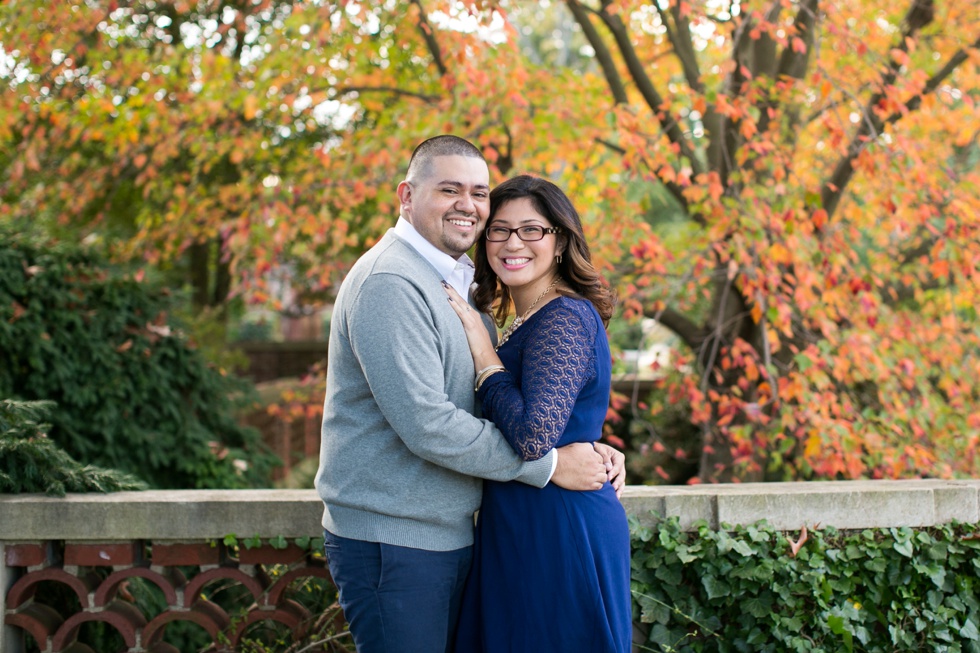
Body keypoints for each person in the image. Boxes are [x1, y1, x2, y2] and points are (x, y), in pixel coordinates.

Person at [314, 135, 626, 653]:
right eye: (449, 189)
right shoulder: (392, 281)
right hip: (398, 537)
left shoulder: (461, 288)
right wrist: (551, 464)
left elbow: (515, 408)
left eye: (479, 193)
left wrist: (589, 443)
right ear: (406, 196)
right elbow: (429, 423)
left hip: (460, 532)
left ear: (558, 239)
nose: (469, 206)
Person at [443, 174, 632, 653]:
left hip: (557, 524)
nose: (512, 243)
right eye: (499, 230)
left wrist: (486, 359)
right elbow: (558, 415)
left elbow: (533, 436)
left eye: (532, 230)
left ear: (561, 241)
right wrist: (594, 441)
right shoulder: (531, 316)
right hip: (523, 518)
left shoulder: (564, 315)